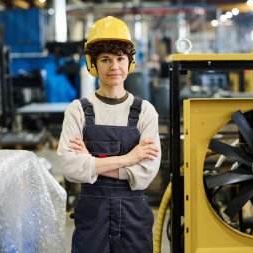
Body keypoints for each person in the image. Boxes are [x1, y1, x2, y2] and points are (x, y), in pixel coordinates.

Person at [57, 16, 161, 253]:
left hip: (134, 219)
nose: (114, 66)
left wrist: (92, 164)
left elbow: (145, 174)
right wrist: (127, 159)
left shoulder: (145, 111)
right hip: (92, 218)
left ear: (130, 63)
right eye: (105, 59)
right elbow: (71, 169)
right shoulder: (78, 110)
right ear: (93, 64)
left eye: (120, 58)